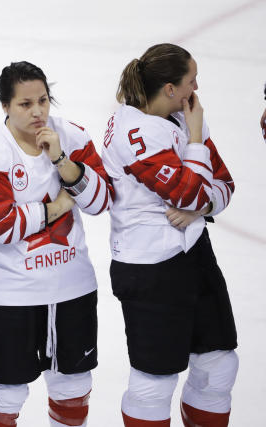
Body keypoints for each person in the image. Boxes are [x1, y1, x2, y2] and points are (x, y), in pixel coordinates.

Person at [0, 61, 114, 427]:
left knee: (73, 387)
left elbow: (101, 201)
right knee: (6, 394)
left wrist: (62, 161)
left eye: (43, 101)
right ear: (5, 106)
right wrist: (59, 205)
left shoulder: (72, 136)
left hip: (71, 286)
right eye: (25, 104)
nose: (37, 112)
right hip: (8, 293)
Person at [100, 43, 238, 426]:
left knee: (219, 365)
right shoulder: (135, 133)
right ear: (170, 89)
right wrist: (195, 141)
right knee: (153, 386)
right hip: (149, 269)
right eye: (191, 80)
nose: (197, 87)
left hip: (194, 253)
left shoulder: (183, 115)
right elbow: (191, 190)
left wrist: (201, 207)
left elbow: (223, 185)